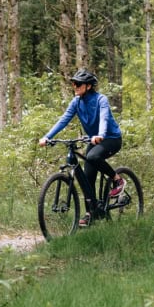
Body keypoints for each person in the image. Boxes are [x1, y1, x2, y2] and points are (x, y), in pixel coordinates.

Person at [39, 69, 126, 226]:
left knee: (93, 157)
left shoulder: (101, 99)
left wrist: (100, 134)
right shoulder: (76, 102)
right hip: (94, 141)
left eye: (78, 84)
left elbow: (104, 118)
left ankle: (117, 180)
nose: (75, 86)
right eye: (73, 83)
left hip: (111, 139)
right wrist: (47, 136)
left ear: (88, 86)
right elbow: (63, 120)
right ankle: (90, 213)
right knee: (87, 178)